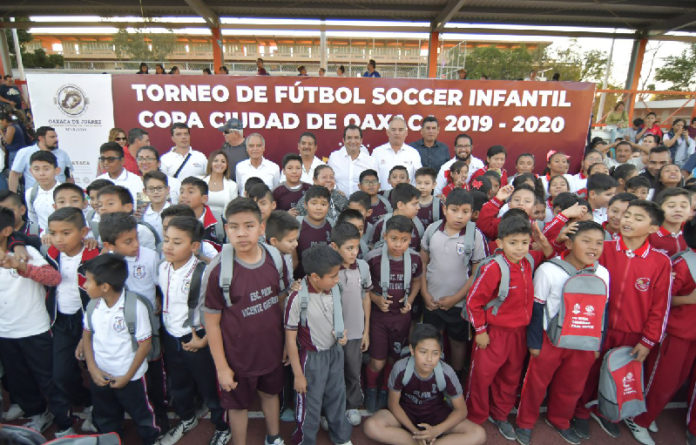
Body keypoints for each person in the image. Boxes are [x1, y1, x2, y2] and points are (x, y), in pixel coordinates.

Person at [572, 200, 671, 440]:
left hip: (632, 332)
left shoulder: (660, 262)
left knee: (617, 376)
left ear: (654, 228)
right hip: (598, 326)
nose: (628, 221)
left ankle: (607, 412)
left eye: (638, 218)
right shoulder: (603, 248)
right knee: (587, 372)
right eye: (627, 215)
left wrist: (649, 341)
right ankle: (581, 411)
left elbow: (661, 306)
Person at [515, 221, 609, 445]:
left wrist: (598, 344)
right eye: (586, 241)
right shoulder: (549, 270)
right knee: (536, 384)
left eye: (599, 243)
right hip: (551, 340)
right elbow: (537, 308)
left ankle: (560, 419)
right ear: (569, 242)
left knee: (572, 385)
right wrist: (535, 343)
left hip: (584, 341)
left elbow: (602, 311)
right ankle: (525, 421)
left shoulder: (603, 273)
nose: (593, 247)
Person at [204, 198, 290, 445]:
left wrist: (286, 342)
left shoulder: (275, 258)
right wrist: (222, 367)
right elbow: (212, 322)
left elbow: (282, 302)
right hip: (237, 358)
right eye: (234, 226)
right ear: (226, 228)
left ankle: (273, 437)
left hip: (271, 351)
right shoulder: (219, 270)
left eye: (249, 226)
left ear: (262, 227)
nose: (241, 233)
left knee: (271, 394)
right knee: (238, 405)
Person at [465, 215, 553, 438]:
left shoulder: (530, 261)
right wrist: (481, 331)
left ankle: (501, 414)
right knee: (481, 376)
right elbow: (473, 301)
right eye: (513, 243)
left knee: (511, 377)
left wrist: (543, 241)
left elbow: (551, 253)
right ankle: (475, 416)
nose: (519, 248)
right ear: (501, 243)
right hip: (494, 334)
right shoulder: (494, 268)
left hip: (519, 334)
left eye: (524, 242)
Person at [157, 216, 232, 445]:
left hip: (197, 337)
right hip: (171, 336)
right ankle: (187, 417)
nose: (168, 246)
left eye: (177, 242)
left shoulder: (206, 272)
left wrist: (205, 340)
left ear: (194, 246)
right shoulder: (163, 267)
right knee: (178, 383)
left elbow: (221, 311)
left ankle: (222, 426)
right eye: (167, 240)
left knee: (209, 386)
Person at [628, 218, 696, 445]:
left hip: (691, 334)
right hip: (676, 333)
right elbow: (662, 298)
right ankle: (639, 419)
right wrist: (688, 299)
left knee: (677, 381)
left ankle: (649, 414)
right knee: (661, 382)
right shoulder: (685, 264)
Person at [81, 253, 160, 445]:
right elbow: (87, 334)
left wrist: (127, 376)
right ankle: (111, 438)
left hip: (130, 377)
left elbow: (145, 345)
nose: (84, 285)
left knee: (142, 414)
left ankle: (151, 439)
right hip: (101, 375)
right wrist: (92, 369)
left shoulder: (134, 307)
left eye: (89, 281)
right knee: (106, 415)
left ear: (105, 287)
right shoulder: (93, 305)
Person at [363, 324, 486, 445]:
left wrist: (436, 431)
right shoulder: (401, 368)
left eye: (435, 353)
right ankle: (417, 442)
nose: (429, 359)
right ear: (412, 350)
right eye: (423, 352)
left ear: (441, 352)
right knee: (371, 426)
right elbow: (393, 404)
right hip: (406, 414)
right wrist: (415, 432)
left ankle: (433, 442)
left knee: (478, 434)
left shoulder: (446, 372)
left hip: (437, 416)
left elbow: (461, 411)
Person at [0, 206, 62, 433]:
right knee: (19, 380)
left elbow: (53, 278)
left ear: (6, 231)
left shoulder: (25, 252)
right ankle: (37, 413)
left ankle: (64, 423)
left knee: (48, 378)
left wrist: (21, 266)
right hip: (4, 331)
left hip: (33, 328)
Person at [285, 245, 353, 445]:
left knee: (337, 396)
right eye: (332, 276)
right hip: (311, 360)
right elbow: (290, 338)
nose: (337, 279)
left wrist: (341, 335)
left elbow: (336, 318)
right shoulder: (296, 298)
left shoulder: (334, 289)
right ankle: (305, 439)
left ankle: (341, 436)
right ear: (315, 277)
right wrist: (298, 375)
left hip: (334, 353)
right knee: (310, 405)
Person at [421, 189, 487, 378]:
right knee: (431, 341)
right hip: (431, 301)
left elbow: (477, 273)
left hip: (458, 303)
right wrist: (425, 294)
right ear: (444, 209)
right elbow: (423, 263)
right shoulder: (432, 230)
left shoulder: (474, 236)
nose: (459, 216)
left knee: (458, 342)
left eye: (465, 212)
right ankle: (431, 377)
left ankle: (456, 377)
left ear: (472, 213)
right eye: (454, 210)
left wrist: (456, 298)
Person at [364, 215, 423, 412]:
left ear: (411, 239)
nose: (399, 244)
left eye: (404, 240)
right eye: (394, 239)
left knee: (394, 358)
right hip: (379, 318)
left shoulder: (415, 258)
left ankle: (384, 389)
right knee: (377, 361)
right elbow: (362, 287)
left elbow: (417, 281)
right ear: (384, 236)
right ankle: (371, 388)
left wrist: (411, 300)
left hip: (402, 317)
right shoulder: (373, 258)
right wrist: (376, 299)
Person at [330, 223, 372, 426]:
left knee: (352, 371)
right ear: (334, 247)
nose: (354, 252)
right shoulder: (327, 268)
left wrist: (366, 331)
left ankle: (352, 404)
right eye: (349, 248)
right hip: (331, 334)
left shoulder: (363, 267)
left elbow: (366, 298)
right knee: (331, 373)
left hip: (355, 331)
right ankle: (328, 408)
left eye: (356, 247)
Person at [10, 126, 73, 192]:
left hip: (60, 194)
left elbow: (69, 176)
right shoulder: (25, 152)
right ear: (41, 138)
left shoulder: (62, 154)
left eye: (56, 137)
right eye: (52, 137)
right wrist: (13, 195)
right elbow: (14, 174)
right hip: (34, 195)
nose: (56, 140)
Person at [96, 185, 157, 250]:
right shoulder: (104, 230)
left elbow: (149, 257)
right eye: (100, 205)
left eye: (110, 203)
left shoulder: (140, 231)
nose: (103, 208)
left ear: (128, 207)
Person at [372, 117, 422, 190]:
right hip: (382, 198)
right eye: (393, 130)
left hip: (407, 198)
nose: (397, 133)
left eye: (400, 130)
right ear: (388, 132)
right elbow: (372, 178)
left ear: (406, 133)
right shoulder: (377, 152)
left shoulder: (413, 153)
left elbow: (419, 178)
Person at [371, 183, 423, 251]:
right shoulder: (381, 224)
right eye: (414, 204)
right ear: (400, 205)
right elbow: (372, 247)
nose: (418, 207)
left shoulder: (418, 224)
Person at [328, 125, 374, 196]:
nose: (353, 141)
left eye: (356, 138)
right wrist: (335, 191)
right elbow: (328, 181)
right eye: (349, 138)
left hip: (362, 204)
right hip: (339, 204)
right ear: (343, 140)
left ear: (361, 140)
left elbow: (375, 185)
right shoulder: (334, 158)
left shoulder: (370, 161)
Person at [179, 176, 221, 250]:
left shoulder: (218, 222)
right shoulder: (173, 219)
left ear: (204, 198)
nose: (184, 196)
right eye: (181, 192)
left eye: (190, 192)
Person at [25, 150, 61, 235]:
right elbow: (33, 218)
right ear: (31, 171)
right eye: (36, 169)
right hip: (42, 238)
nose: (41, 173)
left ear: (57, 170)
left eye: (46, 169)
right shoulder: (30, 193)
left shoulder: (65, 192)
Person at [648, 187, 689, 257]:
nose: (678, 210)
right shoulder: (650, 234)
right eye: (671, 206)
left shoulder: (691, 231)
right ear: (659, 209)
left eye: (683, 206)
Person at [203, 150, 239, 222]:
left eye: (223, 161)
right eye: (216, 161)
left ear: (226, 165)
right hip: (203, 224)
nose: (219, 164)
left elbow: (233, 209)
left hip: (224, 224)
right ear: (210, 163)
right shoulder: (201, 182)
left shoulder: (232, 185)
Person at [141, 171, 170, 243]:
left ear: (167, 189)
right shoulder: (141, 215)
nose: (156, 192)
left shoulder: (176, 213)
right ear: (145, 191)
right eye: (151, 189)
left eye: (159, 188)